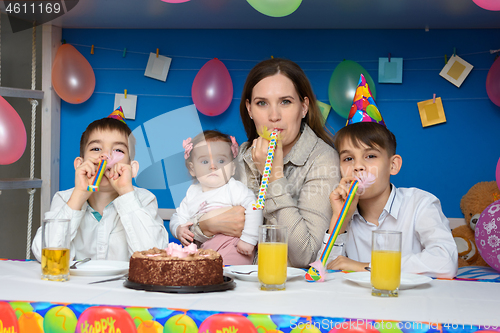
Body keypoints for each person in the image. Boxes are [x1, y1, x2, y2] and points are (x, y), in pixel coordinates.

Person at [191, 58, 341, 268]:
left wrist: (274, 176)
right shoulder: (236, 158)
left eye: (285, 102)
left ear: (304, 107)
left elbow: (306, 255)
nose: (274, 116)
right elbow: (192, 233)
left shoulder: (322, 160)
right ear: (249, 109)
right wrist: (205, 226)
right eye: (262, 103)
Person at [317, 75, 458, 278]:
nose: (358, 166)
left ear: (393, 165)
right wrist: (339, 221)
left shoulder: (420, 204)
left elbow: (446, 262)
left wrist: (365, 266)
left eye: (370, 156)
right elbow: (323, 271)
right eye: (348, 159)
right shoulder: (345, 216)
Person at [32, 108, 169, 262]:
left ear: (132, 168)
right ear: (80, 164)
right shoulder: (65, 199)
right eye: (96, 149)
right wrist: (78, 196)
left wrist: (126, 192)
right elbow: (45, 255)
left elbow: (155, 257)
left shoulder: (144, 200)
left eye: (118, 150)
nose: (105, 156)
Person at [169, 130, 263, 265]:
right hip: (204, 249)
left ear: (232, 168)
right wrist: (178, 229)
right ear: (192, 169)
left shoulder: (233, 187)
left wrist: (249, 239)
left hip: (233, 245)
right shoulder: (192, 193)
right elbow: (178, 216)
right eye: (205, 161)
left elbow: (254, 206)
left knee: (228, 271)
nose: (213, 166)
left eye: (221, 161)